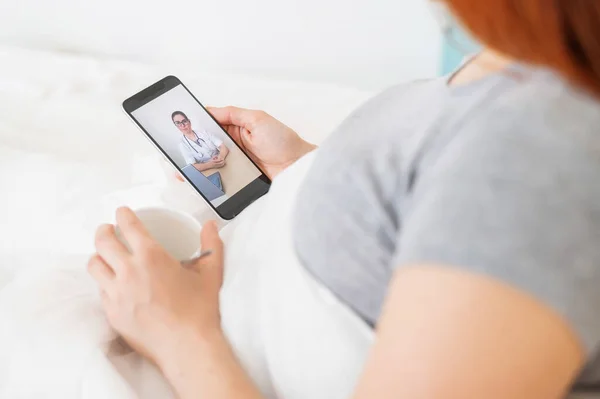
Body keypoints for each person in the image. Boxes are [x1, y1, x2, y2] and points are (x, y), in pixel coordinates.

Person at [88, 1, 600, 398]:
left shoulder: (532, 163)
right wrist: (309, 169)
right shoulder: (534, 64)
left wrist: (178, 336)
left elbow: (496, 201)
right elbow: (441, 201)